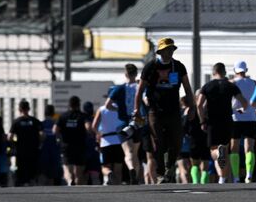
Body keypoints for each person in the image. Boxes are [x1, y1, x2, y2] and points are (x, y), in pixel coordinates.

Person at [133, 37, 195, 183]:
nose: (169, 52)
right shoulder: (151, 67)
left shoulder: (179, 66)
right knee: (158, 142)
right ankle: (160, 173)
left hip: (174, 110)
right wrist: (136, 109)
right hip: (155, 111)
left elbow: (187, 88)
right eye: (166, 50)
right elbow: (140, 90)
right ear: (160, 51)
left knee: (178, 141)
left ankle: (169, 167)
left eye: (171, 49)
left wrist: (192, 108)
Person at [196, 62, 246, 183]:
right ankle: (223, 179)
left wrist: (202, 120)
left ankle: (220, 164)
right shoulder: (230, 86)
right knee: (225, 149)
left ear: (213, 72)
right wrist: (241, 110)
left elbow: (199, 105)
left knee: (214, 150)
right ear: (224, 72)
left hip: (212, 122)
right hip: (227, 121)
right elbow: (244, 102)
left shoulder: (207, 86)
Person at [230, 61, 256, 183]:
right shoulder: (254, 83)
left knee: (234, 148)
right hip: (251, 118)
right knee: (249, 148)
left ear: (235, 70)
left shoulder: (233, 83)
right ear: (246, 70)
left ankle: (236, 176)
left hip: (236, 118)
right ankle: (249, 174)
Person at [95, 87, 129, 185]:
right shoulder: (122, 109)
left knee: (105, 166)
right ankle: (118, 188)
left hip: (106, 141)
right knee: (118, 168)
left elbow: (94, 126)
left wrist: (98, 134)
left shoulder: (102, 109)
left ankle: (109, 173)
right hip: (119, 140)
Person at [9, 100, 42, 187]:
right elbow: (42, 135)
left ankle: (23, 184)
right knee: (33, 170)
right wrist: (38, 143)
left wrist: (14, 145)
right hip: (33, 150)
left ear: (19, 109)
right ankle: (32, 183)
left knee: (21, 170)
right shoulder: (35, 121)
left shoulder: (16, 121)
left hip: (21, 150)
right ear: (29, 109)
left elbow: (10, 137)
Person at [58, 96, 91, 186]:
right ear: (79, 105)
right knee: (78, 173)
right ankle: (77, 185)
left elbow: (55, 130)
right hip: (80, 146)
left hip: (66, 146)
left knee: (66, 168)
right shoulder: (83, 116)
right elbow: (88, 127)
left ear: (69, 105)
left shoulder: (63, 116)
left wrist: (62, 134)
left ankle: (69, 180)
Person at [39, 104, 63, 186]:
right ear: (53, 113)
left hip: (44, 153)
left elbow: (40, 138)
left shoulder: (41, 124)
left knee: (43, 175)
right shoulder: (56, 124)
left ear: (45, 113)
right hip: (55, 153)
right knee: (53, 176)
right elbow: (60, 138)